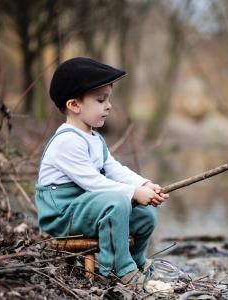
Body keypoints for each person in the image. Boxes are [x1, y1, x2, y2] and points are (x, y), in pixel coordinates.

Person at [35, 57, 168, 285]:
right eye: (100, 100)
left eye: (108, 99)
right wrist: (133, 192)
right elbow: (93, 182)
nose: (109, 106)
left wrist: (144, 185)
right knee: (117, 203)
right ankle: (118, 268)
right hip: (63, 214)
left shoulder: (94, 138)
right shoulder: (67, 141)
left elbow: (114, 169)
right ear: (74, 105)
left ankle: (135, 262)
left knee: (146, 215)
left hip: (86, 207)